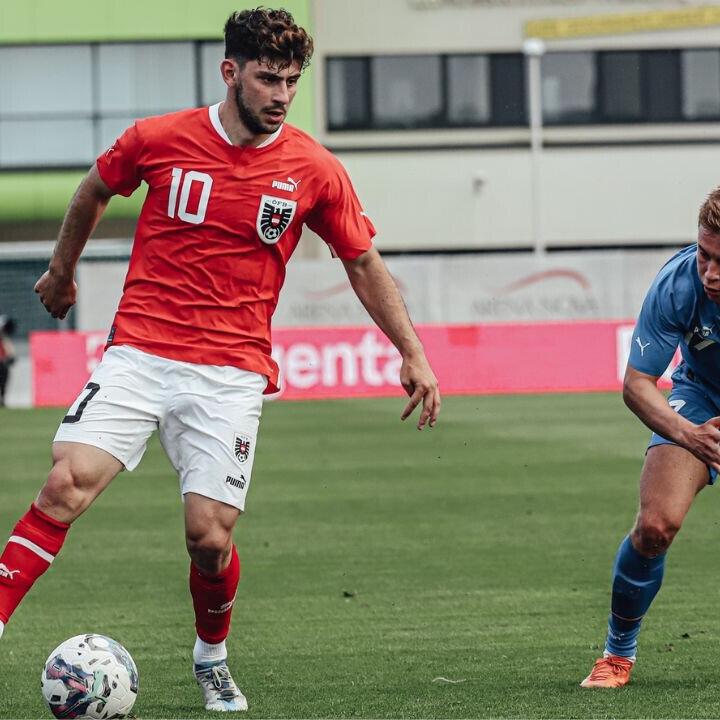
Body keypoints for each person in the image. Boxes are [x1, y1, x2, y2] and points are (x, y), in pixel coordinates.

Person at [0, 8, 440, 712]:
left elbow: (360, 260)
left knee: (209, 539)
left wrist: (412, 352)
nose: (281, 94)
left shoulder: (313, 169)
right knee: (64, 485)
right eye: (268, 78)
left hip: (231, 372)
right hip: (140, 351)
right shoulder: (159, 139)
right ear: (230, 71)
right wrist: (60, 271)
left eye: (293, 81)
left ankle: (211, 657)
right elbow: (92, 190)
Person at [581, 187, 720, 688]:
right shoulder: (678, 284)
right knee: (656, 525)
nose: (711, 273)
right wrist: (692, 435)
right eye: (705, 255)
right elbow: (637, 384)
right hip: (702, 398)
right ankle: (618, 653)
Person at [0, 315, 16, 407]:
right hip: (2, 363)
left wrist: (11, 356)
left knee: (3, 382)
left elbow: (9, 350)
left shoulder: (4, 339)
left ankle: (2, 399)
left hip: (2, 363)